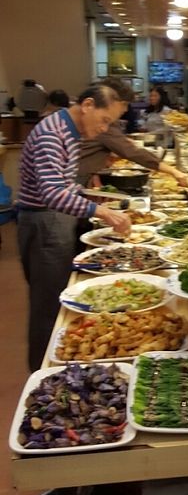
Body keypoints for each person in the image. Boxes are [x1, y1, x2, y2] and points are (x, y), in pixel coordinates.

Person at [17, 84, 131, 371]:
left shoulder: (68, 130)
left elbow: (63, 183)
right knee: (50, 305)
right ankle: (44, 374)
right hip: (45, 222)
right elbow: (52, 193)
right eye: (105, 120)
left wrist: (86, 193)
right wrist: (100, 210)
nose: (105, 129)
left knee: (56, 301)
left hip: (53, 219)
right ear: (88, 105)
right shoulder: (51, 133)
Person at [78, 78, 188, 187]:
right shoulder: (102, 122)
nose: (126, 110)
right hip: (79, 180)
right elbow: (131, 152)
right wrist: (173, 171)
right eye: (125, 104)